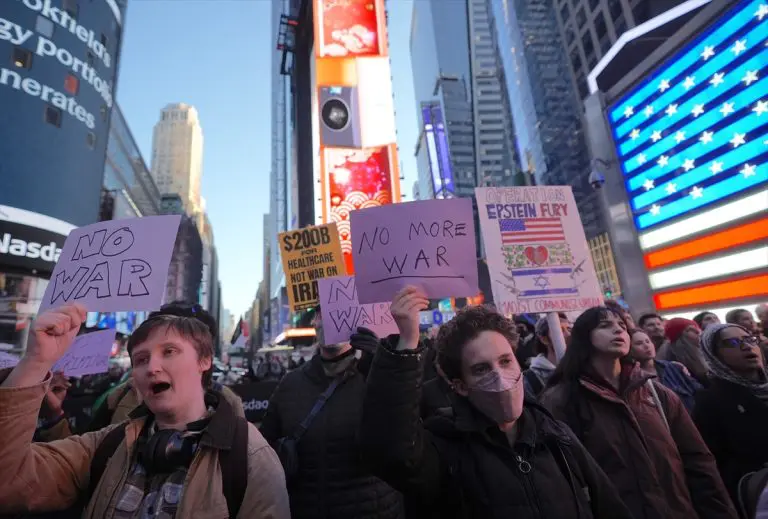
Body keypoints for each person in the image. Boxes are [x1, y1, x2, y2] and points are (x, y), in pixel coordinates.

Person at [360, 288, 635, 519]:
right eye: (481, 369)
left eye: (505, 361)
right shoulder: (444, 448)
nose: (500, 376)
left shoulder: (556, 437)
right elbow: (389, 451)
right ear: (459, 385)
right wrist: (407, 343)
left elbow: (609, 506)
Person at [0, 303, 290, 518]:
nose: (151, 367)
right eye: (140, 359)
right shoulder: (106, 445)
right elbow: (10, 483)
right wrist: (36, 362)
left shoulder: (250, 457)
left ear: (205, 361)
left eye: (169, 352)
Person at [540, 306, 737, 519]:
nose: (618, 331)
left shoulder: (657, 393)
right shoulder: (561, 400)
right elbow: (560, 479)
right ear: (583, 337)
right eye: (605, 326)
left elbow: (698, 462)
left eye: (622, 326)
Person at [259, 305, 404, 519]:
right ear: (314, 323)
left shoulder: (375, 376)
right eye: (321, 314)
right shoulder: (290, 384)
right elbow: (264, 449)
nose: (329, 320)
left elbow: (405, 437)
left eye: (337, 312)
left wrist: (384, 371)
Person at [693, 323, 768, 505]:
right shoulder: (710, 401)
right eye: (733, 342)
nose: (747, 346)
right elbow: (714, 464)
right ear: (714, 355)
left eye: (750, 339)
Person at [629, 328, 702, 412]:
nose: (646, 346)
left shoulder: (672, 368)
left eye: (648, 341)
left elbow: (698, 391)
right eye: (639, 343)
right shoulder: (631, 377)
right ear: (630, 349)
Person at [522, 313, 571, 396]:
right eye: (560, 330)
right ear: (544, 340)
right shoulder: (531, 379)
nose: (568, 334)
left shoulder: (580, 370)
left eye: (569, 329)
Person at [657, 317, 709, 385]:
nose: (697, 331)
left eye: (696, 327)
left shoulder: (706, 352)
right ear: (679, 337)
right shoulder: (674, 360)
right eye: (690, 330)